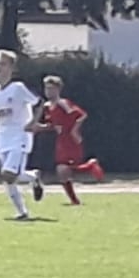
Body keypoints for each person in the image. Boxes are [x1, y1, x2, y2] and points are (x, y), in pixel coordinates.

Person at [0, 49, 44, 220]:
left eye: (3, 64)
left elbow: (39, 102)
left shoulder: (18, 88)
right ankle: (23, 209)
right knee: (10, 177)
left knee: (9, 174)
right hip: (2, 136)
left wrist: (33, 122)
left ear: (12, 68)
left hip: (20, 135)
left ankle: (31, 183)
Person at [31, 75, 105, 205]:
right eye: (46, 88)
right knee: (62, 171)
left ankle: (90, 166)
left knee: (64, 169)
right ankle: (75, 200)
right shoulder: (47, 106)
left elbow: (82, 115)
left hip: (71, 140)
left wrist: (74, 130)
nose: (48, 91)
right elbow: (53, 124)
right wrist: (40, 128)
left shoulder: (63, 103)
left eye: (51, 88)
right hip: (61, 141)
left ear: (58, 89)